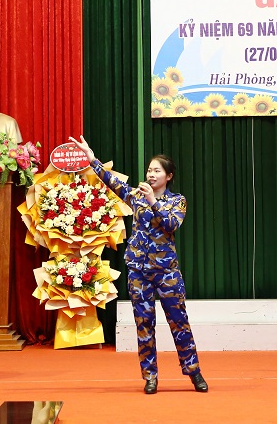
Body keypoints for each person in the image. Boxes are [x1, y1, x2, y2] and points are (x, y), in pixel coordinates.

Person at [69, 135, 208, 394]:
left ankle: (194, 371)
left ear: (169, 176)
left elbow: (171, 225)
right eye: (149, 170)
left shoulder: (177, 201)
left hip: (166, 273)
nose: (151, 174)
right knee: (144, 324)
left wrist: (154, 202)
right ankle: (150, 376)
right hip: (139, 272)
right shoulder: (136, 196)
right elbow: (111, 182)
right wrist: (92, 159)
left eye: (157, 171)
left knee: (179, 322)